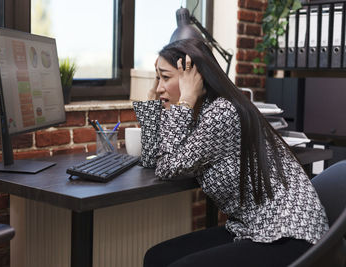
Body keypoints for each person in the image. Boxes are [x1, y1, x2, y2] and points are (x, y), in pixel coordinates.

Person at [132, 39, 329, 267]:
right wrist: (152, 103)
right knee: (156, 257)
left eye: (165, 77)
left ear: (195, 78)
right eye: (158, 78)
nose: (159, 87)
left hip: (287, 233)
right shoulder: (195, 114)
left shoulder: (221, 112)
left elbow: (167, 167)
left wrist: (185, 100)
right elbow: (152, 159)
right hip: (250, 228)